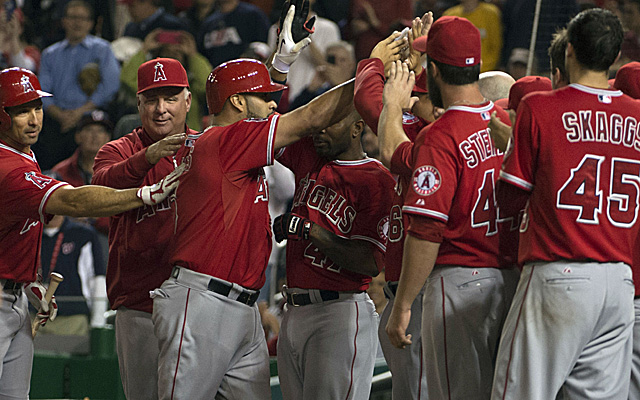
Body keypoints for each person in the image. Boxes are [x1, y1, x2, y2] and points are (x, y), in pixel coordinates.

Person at [150, 5, 358, 398]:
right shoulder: (223, 141)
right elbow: (310, 119)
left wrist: (278, 64)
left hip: (241, 307)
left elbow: (255, 105)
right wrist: (371, 71)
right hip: (202, 304)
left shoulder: (229, 140)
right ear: (240, 104)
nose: (275, 103)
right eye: (265, 97)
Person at [0, 66, 183, 399]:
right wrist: (144, 194)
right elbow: (74, 201)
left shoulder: (23, 155)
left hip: (13, 299)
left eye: (37, 107)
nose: (34, 118)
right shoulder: (6, 165)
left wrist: (27, 284)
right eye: (21, 110)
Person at [491, 9, 639, 399]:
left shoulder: (539, 107)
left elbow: (509, 197)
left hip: (559, 272)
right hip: (619, 283)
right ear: (613, 57)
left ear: (569, 50)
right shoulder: (638, 117)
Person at [381, 16, 519, 400]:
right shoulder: (504, 121)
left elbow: (426, 230)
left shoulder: (441, 135)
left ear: (438, 70)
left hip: (460, 284)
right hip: (508, 280)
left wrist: (403, 304)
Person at [91, 57, 197, 400]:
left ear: (188, 100)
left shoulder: (207, 146)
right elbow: (101, 186)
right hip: (140, 303)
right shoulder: (118, 150)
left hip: (199, 303)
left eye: (169, 98)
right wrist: (147, 157)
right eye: (151, 100)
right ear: (138, 103)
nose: (161, 109)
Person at [273, 108, 395, 400]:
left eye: (331, 123)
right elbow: (268, 130)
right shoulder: (310, 155)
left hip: (338, 312)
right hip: (294, 310)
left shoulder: (377, 179)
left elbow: (369, 262)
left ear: (357, 128)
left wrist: (310, 230)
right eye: (318, 123)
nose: (320, 129)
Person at [353, 16, 434, 400]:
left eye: (426, 90)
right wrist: (414, 70)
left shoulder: (438, 139)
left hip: (426, 295)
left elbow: (375, 108)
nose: (415, 97)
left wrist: (374, 62)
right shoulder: (445, 129)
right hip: (424, 293)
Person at [36, 0, 120, 170]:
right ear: (64, 21)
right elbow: (41, 91)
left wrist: (78, 114)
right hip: (57, 120)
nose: (77, 22)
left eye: (82, 18)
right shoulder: (49, 54)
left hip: (91, 117)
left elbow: (110, 86)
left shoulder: (103, 49)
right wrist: (60, 115)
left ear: (91, 23)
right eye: (73, 17)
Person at [120, 29, 212, 130]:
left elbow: (208, 85)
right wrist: (144, 50)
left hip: (188, 141)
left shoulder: (190, 85)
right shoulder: (151, 86)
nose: (171, 57)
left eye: (176, 53)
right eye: (167, 52)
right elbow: (127, 80)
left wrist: (193, 55)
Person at [37, 213, 107, 335]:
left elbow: (97, 279)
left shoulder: (82, 234)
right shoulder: (31, 234)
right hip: (34, 315)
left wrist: (98, 323)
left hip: (72, 317)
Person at [197, 0, 270, 70]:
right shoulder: (208, 23)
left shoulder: (253, 15)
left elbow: (264, 48)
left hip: (246, 75)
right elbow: (202, 55)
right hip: (215, 77)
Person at [443, 0, 503, 72]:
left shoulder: (491, 13)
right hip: (456, 73)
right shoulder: (449, 15)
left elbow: (496, 47)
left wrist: (481, 70)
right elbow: (446, 48)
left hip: (485, 72)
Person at [120, 0, 188, 41]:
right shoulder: (130, 28)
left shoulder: (173, 25)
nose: (129, 11)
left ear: (148, 2)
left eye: (132, 6)